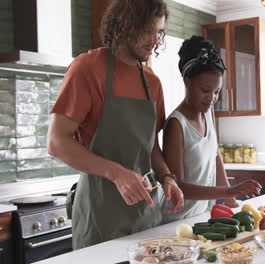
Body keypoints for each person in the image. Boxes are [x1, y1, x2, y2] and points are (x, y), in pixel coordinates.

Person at [47, 0, 183, 249]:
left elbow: (149, 146)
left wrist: (167, 177)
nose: (154, 39)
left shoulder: (153, 83)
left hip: (146, 216)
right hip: (100, 216)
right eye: (148, 30)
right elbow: (57, 142)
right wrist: (117, 173)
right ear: (125, 25)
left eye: (159, 32)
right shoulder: (87, 69)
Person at [161, 36, 262, 223]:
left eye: (216, 92)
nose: (212, 98)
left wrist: (231, 200)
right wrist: (229, 190)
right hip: (176, 221)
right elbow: (179, 186)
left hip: (202, 216)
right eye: (205, 90)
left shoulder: (207, 112)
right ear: (187, 82)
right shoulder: (176, 125)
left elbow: (215, 156)